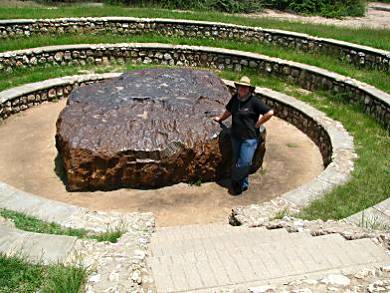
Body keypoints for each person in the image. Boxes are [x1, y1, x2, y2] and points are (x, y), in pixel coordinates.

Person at [213, 76, 274, 195]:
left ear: (249, 89)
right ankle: (243, 184)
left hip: (249, 139)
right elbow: (229, 111)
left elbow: (269, 113)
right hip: (235, 136)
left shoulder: (254, 101)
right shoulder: (235, 98)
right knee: (237, 160)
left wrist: (259, 123)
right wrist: (220, 119)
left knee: (245, 162)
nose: (243, 89)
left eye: (245, 87)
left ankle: (235, 180)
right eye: (241, 87)